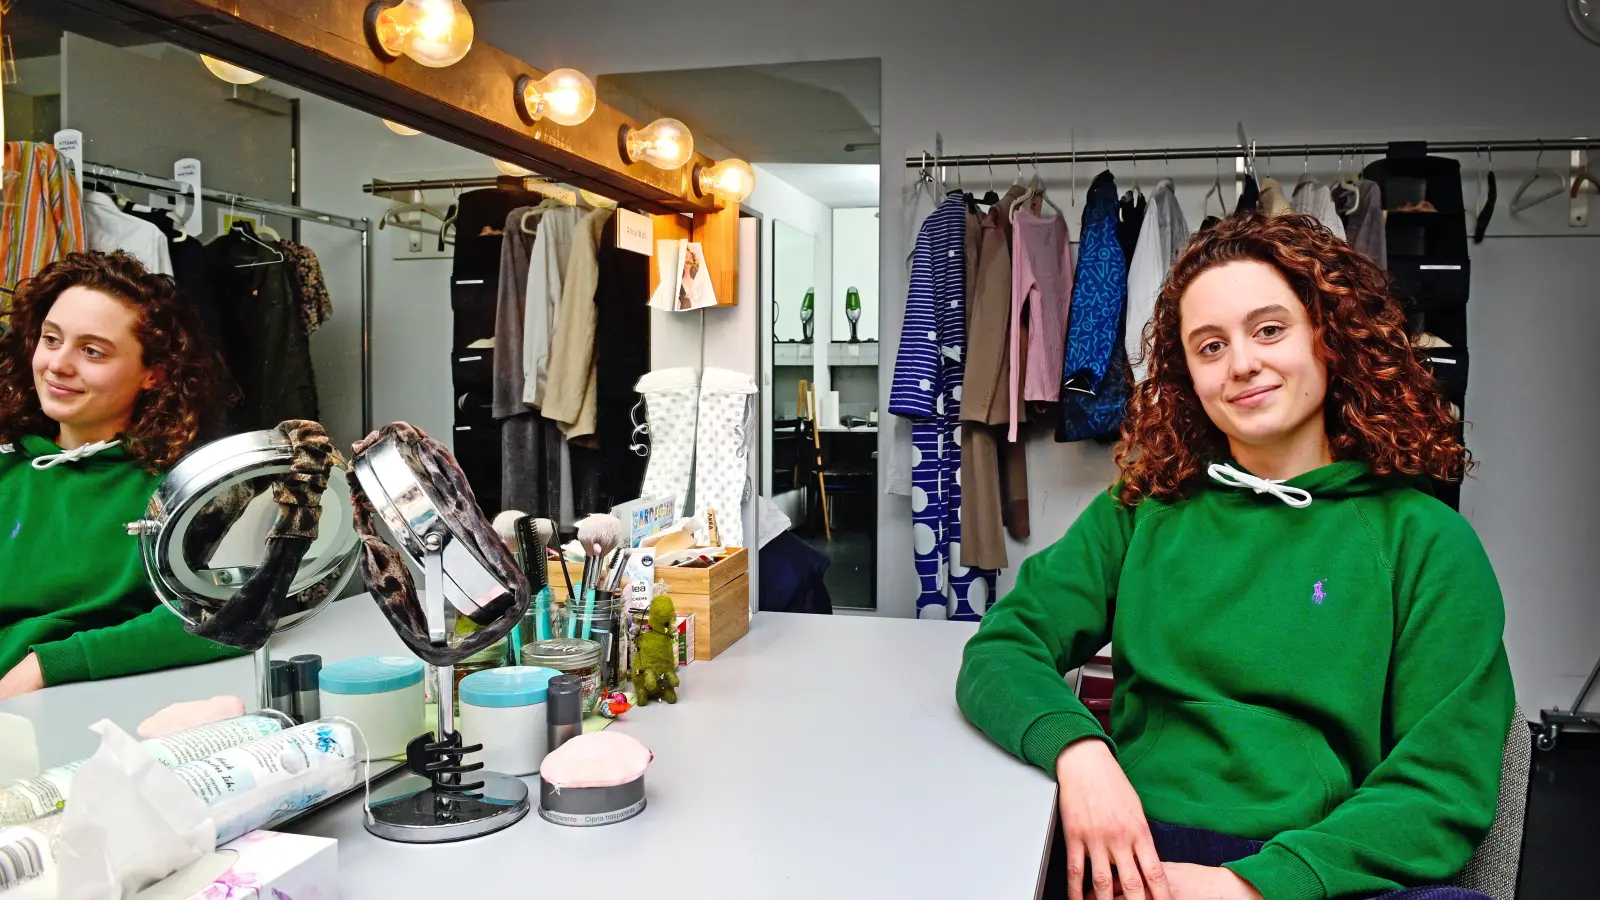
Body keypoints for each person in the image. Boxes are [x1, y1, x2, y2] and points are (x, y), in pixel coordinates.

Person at [957, 214, 1513, 900]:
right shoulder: (1142, 508)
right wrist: (1079, 752)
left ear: (1330, 336)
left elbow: (1440, 784)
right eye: (1211, 346)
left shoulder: (1427, 540)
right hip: (1135, 854)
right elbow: (1002, 647)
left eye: (1269, 330)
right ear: (1188, 375)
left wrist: (1248, 888)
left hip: (1313, 869)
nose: (1242, 364)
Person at [0, 251, 243, 700]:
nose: (58, 364)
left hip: (64, 716)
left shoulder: (182, 491)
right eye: (51, 339)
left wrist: (50, 664)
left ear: (154, 374)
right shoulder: (7, 466)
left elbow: (231, 615)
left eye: (92, 351)